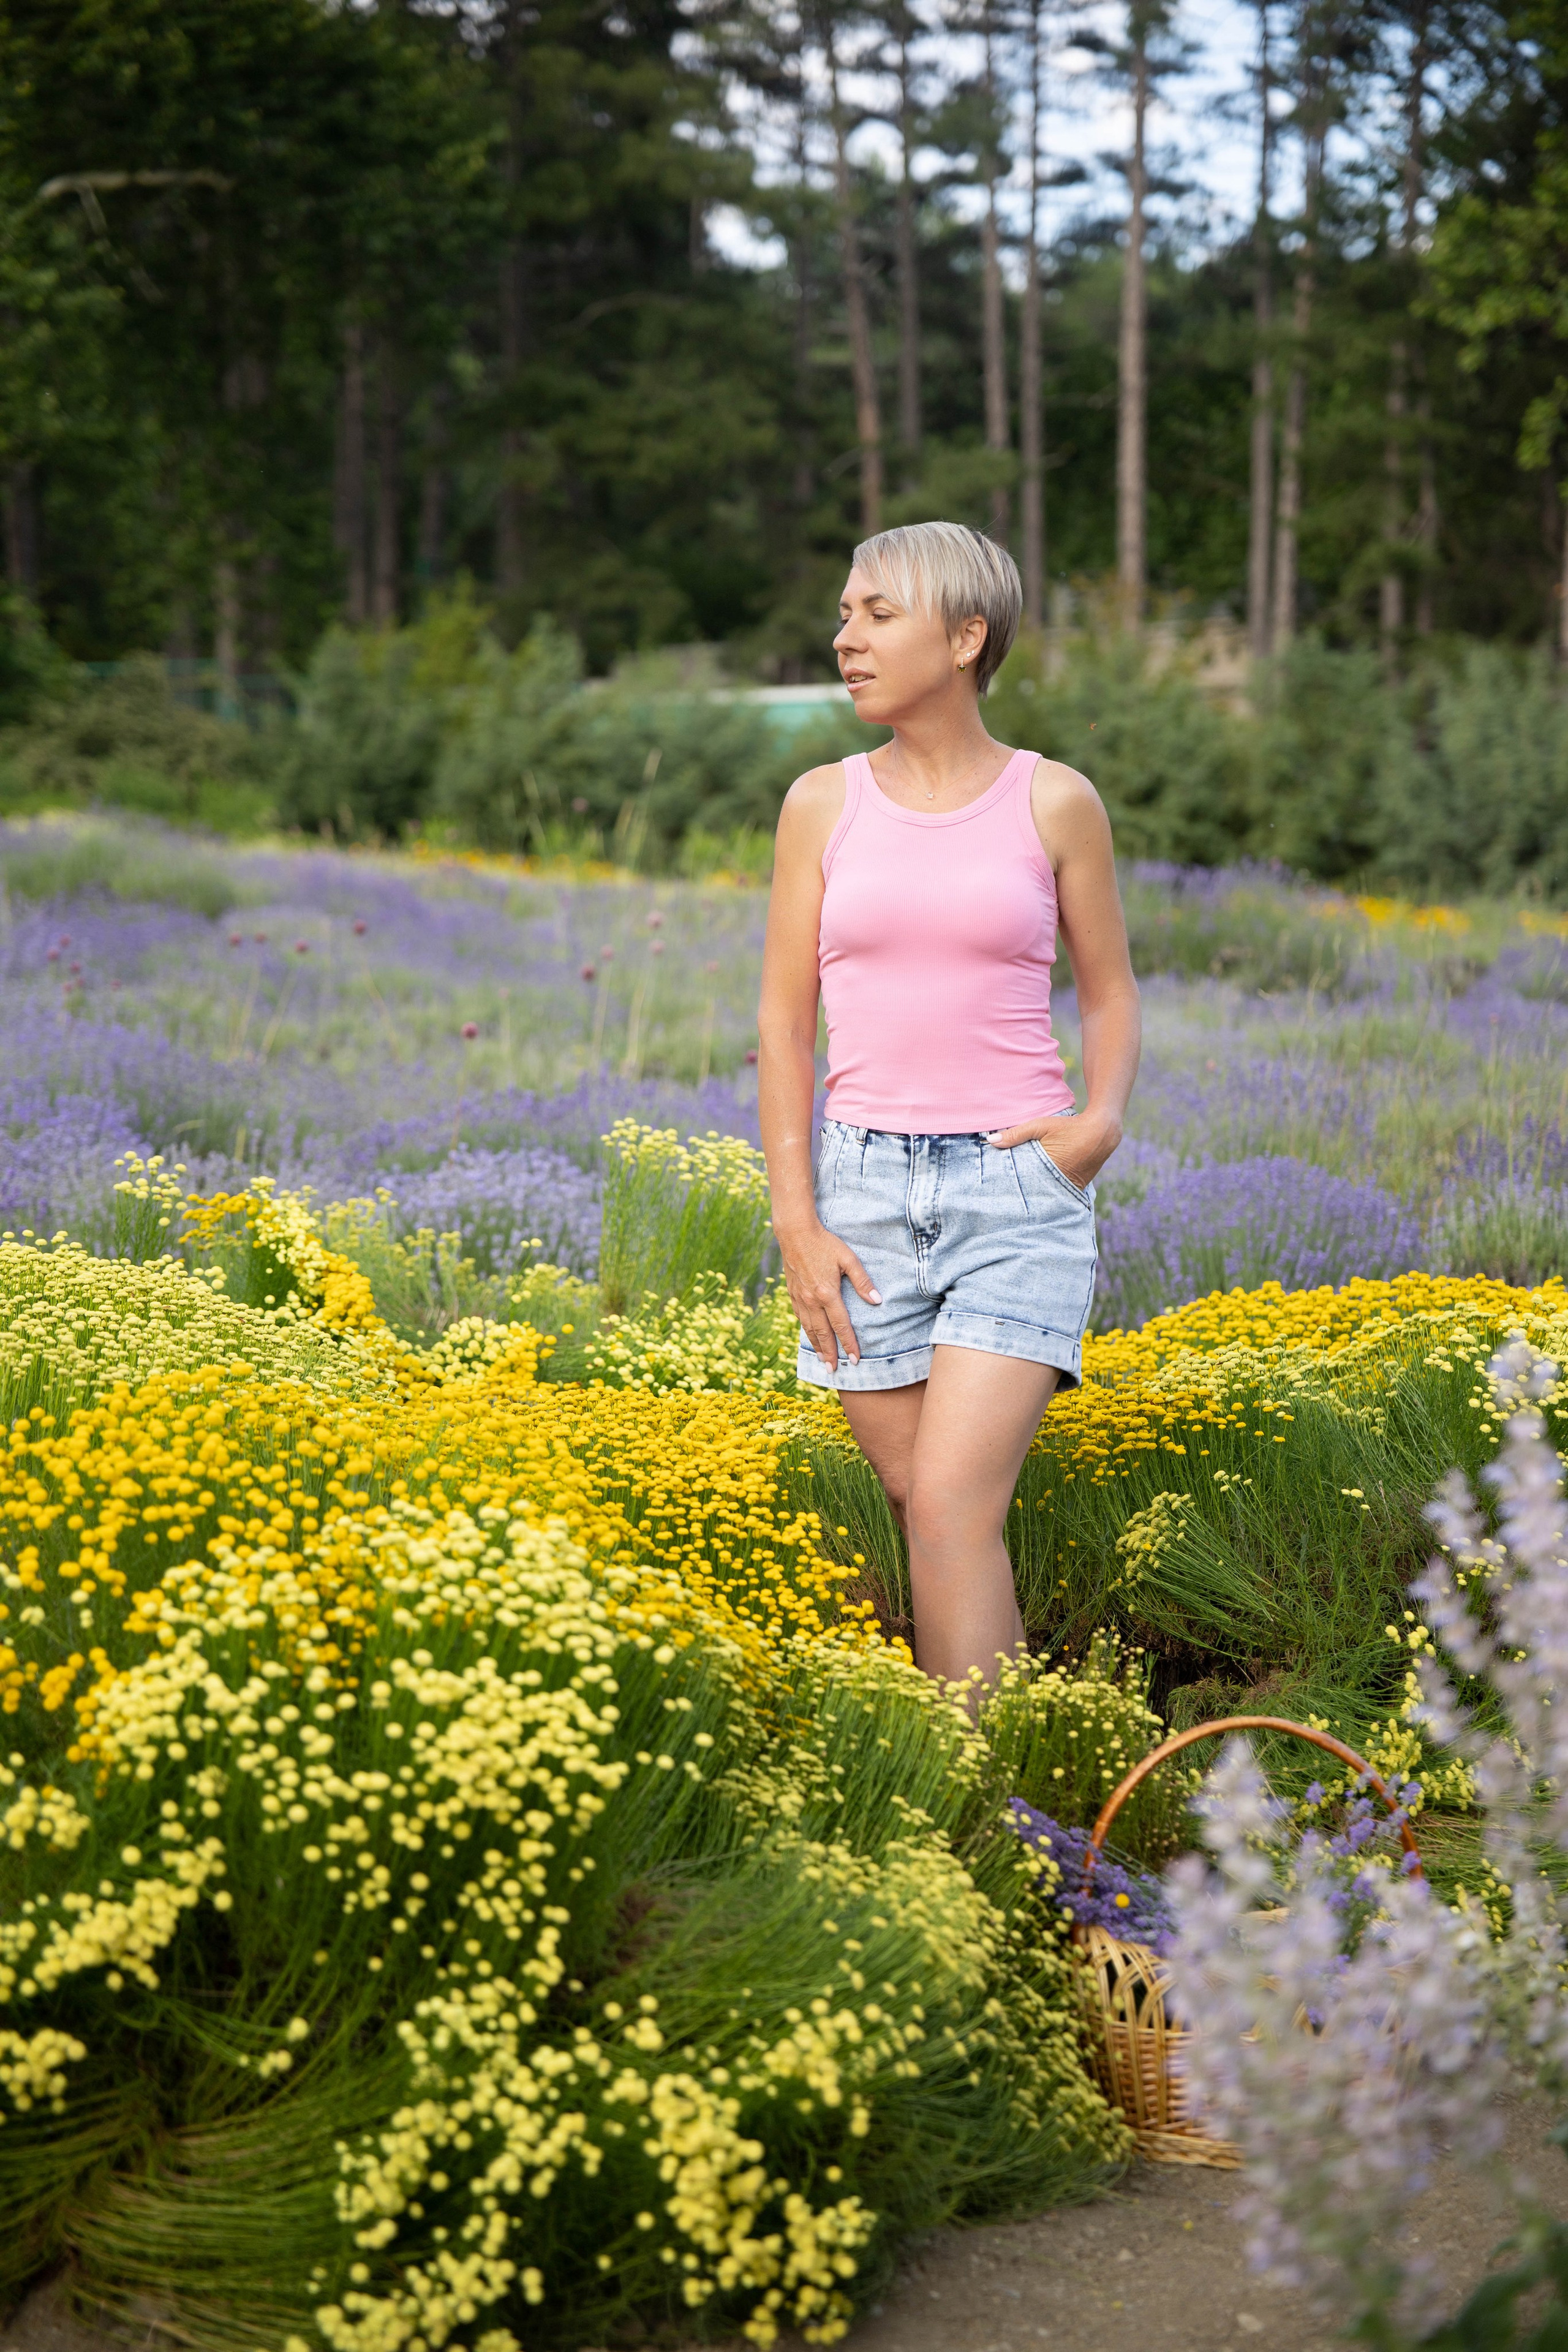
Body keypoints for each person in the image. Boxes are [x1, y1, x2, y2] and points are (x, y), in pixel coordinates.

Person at [757, 521, 1141, 1700]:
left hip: (1015, 1188)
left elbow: (1111, 990)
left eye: (878, 614)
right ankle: (1003, 1784)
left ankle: (984, 1799)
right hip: (862, 1198)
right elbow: (783, 1022)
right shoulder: (820, 805)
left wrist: (1100, 1122)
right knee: (924, 1505)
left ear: (966, 637)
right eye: (845, 613)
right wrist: (799, 1223)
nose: (846, 638)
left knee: (953, 1509)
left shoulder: (1055, 802)